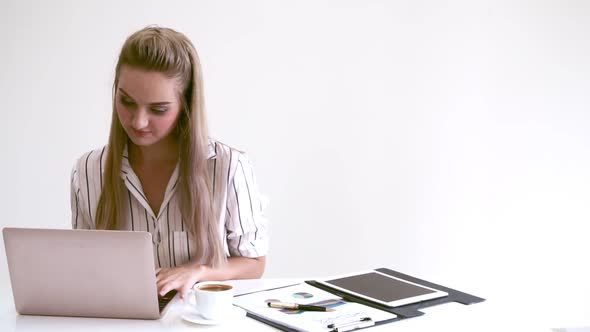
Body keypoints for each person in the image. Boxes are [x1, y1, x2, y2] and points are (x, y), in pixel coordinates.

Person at [70, 26, 268, 299]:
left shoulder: (229, 167)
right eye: (126, 101)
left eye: (158, 109)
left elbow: (255, 264)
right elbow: (85, 268)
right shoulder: (88, 170)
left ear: (185, 105)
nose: (138, 121)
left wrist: (198, 271)